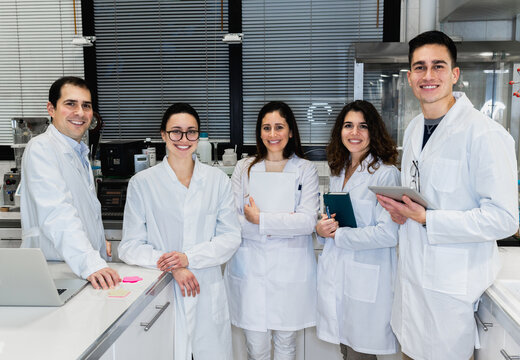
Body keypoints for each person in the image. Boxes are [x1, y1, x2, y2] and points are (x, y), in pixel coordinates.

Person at [376, 31, 518, 360]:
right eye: (420, 67)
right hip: (412, 288)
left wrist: (428, 219)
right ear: (410, 77)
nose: (428, 76)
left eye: (438, 66)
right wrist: (402, 212)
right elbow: (420, 192)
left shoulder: (485, 134)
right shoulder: (414, 129)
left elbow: (504, 219)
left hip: (451, 293)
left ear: (455, 74)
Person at [118, 102, 241, 360]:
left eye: (191, 132)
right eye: (176, 131)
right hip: (162, 290)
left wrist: (189, 258)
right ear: (163, 135)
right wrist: (173, 264)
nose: (183, 139)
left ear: (199, 136)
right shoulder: (142, 183)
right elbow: (129, 246)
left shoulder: (217, 180)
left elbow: (230, 237)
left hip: (206, 287)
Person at [224, 101, 319, 360]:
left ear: (290, 132)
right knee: (256, 347)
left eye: (279, 127)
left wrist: (261, 219)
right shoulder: (245, 168)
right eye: (266, 128)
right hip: (250, 268)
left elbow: (307, 222)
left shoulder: (305, 169)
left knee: (287, 344)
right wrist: (283, 224)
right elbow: (235, 220)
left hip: (290, 269)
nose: (273, 134)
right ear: (259, 132)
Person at [316, 100, 399, 360]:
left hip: (367, 277)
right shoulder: (340, 170)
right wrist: (322, 227)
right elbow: (336, 217)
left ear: (374, 132)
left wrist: (339, 235)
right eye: (348, 126)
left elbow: (388, 234)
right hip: (340, 272)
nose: (354, 133)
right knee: (346, 349)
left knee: (360, 353)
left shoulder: (386, 174)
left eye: (363, 126)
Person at [20, 76, 121, 290]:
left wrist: (96, 242)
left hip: (77, 268)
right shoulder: (41, 149)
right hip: (54, 271)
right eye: (70, 104)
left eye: (86, 105)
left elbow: (83, 211)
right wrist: (90, 261)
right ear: (51, 109)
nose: (80, 112)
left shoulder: (79, 153)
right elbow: (57, 212)